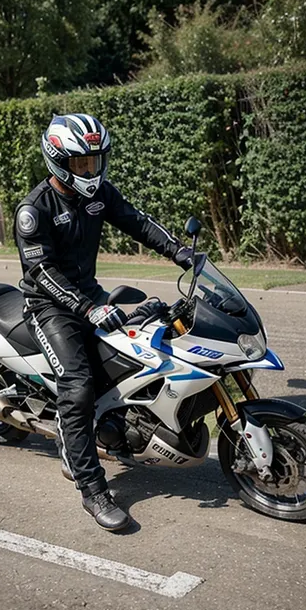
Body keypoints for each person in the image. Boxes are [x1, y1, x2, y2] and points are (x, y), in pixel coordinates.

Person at [14, 113, 192, 532]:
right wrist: (88, 309)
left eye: (95, 162)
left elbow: (138, 222)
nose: (89, 171)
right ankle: (92, 489)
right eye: (81, 164)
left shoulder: (99, 194)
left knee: (143, 346)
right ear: (58, 160)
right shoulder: (33, 210)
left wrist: (182, 253)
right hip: (49, 306)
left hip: (89, 293)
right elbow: (44, 273)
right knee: (77, 386)